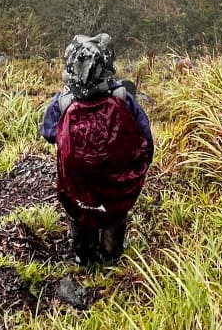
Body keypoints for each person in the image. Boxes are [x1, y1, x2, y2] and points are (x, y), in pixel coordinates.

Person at [39, 33, 154, 265]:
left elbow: (49, 133)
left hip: (79, 186)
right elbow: (145, 140)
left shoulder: (63, 101)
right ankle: (111, 256)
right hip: (116, 185)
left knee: (80, 217)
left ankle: (84, 256)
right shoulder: (122, 97)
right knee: (115, 217)